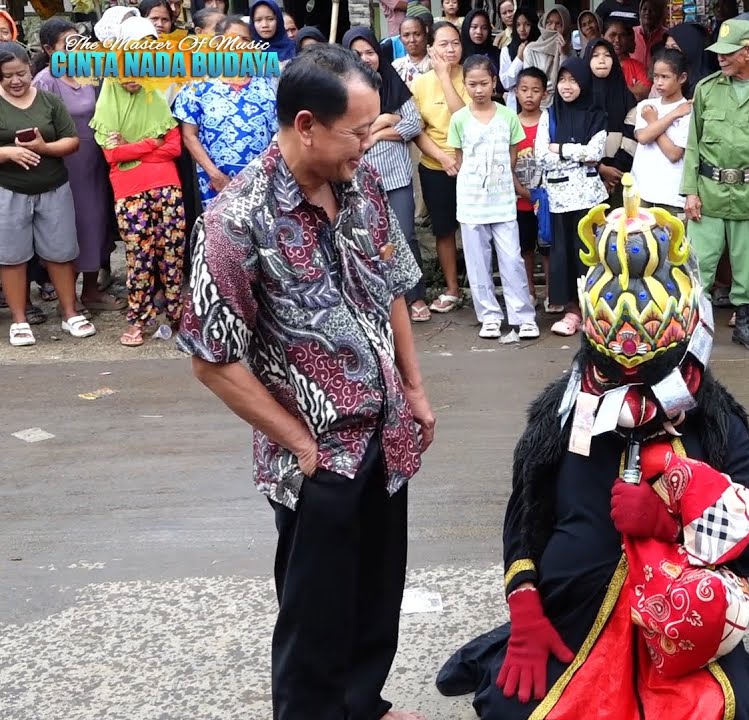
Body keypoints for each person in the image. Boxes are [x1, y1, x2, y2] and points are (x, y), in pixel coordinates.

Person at [435, 174, 749, 720]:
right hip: (568, 617)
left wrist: (671, 525)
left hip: (675, 630)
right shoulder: (559, 412)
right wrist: (524, 607)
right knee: (513, 709)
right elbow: (524, 516)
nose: (629, 384)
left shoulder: (717, 421)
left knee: (714, 709)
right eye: (615, 370)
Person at [177, 46, 433, 720]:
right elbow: (212, 360)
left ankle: (362, 704)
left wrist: (412, 388)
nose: (370, 143)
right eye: (358, 130)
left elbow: (392, 285)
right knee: (316, 612)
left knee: (377, 589)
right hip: (317, 456)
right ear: (306, 125)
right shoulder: (235, 222)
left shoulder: (362, 183)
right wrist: (298, 442)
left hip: (386, 432)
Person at [682, 19, 749, 354]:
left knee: (747, 266)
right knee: (698, 265)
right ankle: (691, 330)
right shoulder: (706, 89)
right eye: (718, 51)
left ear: (748, 52)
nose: (721, 57)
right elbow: (693, 145)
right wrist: (690, 191)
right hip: (709, 192)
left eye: (728, 52)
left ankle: (743, 325)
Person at [91, 16, 188, 346]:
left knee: (172, 252)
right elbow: (111, 154)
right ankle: (138, 320)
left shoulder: (155, 96)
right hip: (130, 190)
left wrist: (131, 148)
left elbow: (174, 147)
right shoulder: (108, 101)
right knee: (138, 256)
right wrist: (152, 143)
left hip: (167, 187)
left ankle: (176, 316)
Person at [0, 40, 97, 346]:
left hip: (54, 187)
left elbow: (72, 141)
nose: (16, 81)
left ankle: (70, 313)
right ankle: (19, 320)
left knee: (61, 252)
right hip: (8, 190)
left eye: (21, 73)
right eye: (7, 76)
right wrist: (8, 153)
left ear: (31, 69)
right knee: (11, 256)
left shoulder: (48, 101)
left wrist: (43, 147)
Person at [32, 17, 121, 315]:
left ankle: (92, 291)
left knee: (96, 223)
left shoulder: (91, 74)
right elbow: (38, 125)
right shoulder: (45, 81)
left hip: (95, 163)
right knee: (69, 230)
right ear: (49, 49)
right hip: (64, 168)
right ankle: (67, 300)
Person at [447, 55, 539, 340]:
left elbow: (513, 156)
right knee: (477, 263)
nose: (478, 90)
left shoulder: (508, 116)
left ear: (494, 82)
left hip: (503, 202)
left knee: (512, 260)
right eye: (472, 84)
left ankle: (523, 317)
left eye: (484, 83)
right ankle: (489, 316)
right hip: (471, 202)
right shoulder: (459, 119)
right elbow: (460, 159)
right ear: (464, 85)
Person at [343, 27, 427, 321]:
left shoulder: (392, 83)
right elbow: (347, 132)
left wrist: (376, 133)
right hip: (359, 179)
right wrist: (386, 120)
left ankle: (416, 298)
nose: (365, 59)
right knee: (367, 241)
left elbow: (413, 124)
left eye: (370, 52)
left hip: (395, 177)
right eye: (356, 54)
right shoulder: (342, 90)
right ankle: (378, 300)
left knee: (405, 235)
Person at [534, 58, 607, 335]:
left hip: (590, 200)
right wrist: (577, 153)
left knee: (590, 254)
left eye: (573, 80)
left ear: (584, 83)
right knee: (564, 255)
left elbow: (595, 153)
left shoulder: (596, 115)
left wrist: (561, 148)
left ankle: (595, 311)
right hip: (559, 199)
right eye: (562, 80)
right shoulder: (550, 115)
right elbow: (542, 156)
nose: (567, 86)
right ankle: (573, 311)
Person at [174, 16, 278, 207]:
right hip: (218, 184)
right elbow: (189, 136)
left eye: (246, 39)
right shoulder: (198, 84)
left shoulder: (265, 83)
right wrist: (215, 175)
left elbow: (278, 134)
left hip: (263, 181)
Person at [411, 21, 468, 315]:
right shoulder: (420, 83)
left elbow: (464, 119)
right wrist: (444, 159)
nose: (451, 49)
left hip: (470, 165)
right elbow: (417, 130)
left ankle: (480, 286)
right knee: (444, 230)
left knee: (475, 228)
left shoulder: (471, 75)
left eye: (455, 43)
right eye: (443, 44)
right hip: (435, 165)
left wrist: (446, 77)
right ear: (431, 48)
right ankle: (452, 289)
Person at [633, 48, 692, 216]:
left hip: (670, 194)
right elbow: (643, 137)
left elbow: (674, 154)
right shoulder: (646, 106)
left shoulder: (688, 110)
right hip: (641, 191)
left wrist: (653, 122)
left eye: (665, 77)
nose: (658, 82)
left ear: (682, 78)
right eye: (655, 76)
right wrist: (673, 115)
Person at [584, 38, 638, 203]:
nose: (601, 60)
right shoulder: (580, 96)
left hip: (620, 177)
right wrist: (600, 168)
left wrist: (614, 172)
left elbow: (631, 135)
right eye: (595, 55)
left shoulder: (626, 96)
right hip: (585, 177)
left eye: (607, 55)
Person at [512, 66, 547, 304]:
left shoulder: (549, 122)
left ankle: (552, 292)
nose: (529, 95)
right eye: (524, 89)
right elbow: (507, 164)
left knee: (548, 247)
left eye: (535, 90)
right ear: (516, 92)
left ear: (544, 93)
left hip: (545, 200)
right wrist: (522, 191)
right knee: (524, 248)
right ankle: (529, 291)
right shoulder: (511, 123)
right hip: (519, 199)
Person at [525, 5, 572, 108]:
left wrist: (563, 54)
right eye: (549, 23)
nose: (553, 28)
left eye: (558, 24)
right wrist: (545, 88)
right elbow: (530, 80)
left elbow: (567, 80)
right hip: (537, 105)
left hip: (562, 105)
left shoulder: (569, 50)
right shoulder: (531, 49)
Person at [499, 6, 539, 110]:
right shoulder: (507, 50)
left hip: (539, 105)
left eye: (527, 24)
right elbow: (506, 83)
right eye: (518, 25)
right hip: (515, 108)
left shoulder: (540, 48)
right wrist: (519, 59)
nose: (522, 29)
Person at [604, 17, 650, 99]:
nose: (617, 40)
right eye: (612, 35)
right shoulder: (598, 64)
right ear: (603, 37)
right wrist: (632, 89)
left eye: (622, 35)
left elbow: (644, 93)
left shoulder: (637, 66)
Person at [663, 22, 713, 87]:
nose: (669, 54)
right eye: (667, 48)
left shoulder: (707, 85)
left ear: (690, 49)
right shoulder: (663, 78)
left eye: (675, 48)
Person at [393, 12, 432, 84]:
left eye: (417, 34)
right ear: (400, 39)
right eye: (406, 35)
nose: (412, 40)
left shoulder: (436, 64)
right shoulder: (396, 67)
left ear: (425, 36)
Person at [632, 0, 667, 73]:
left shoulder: (667, 35)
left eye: (652, 10)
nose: (647, 12)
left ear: (659, 13)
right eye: (644, 9)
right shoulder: (631, 33)